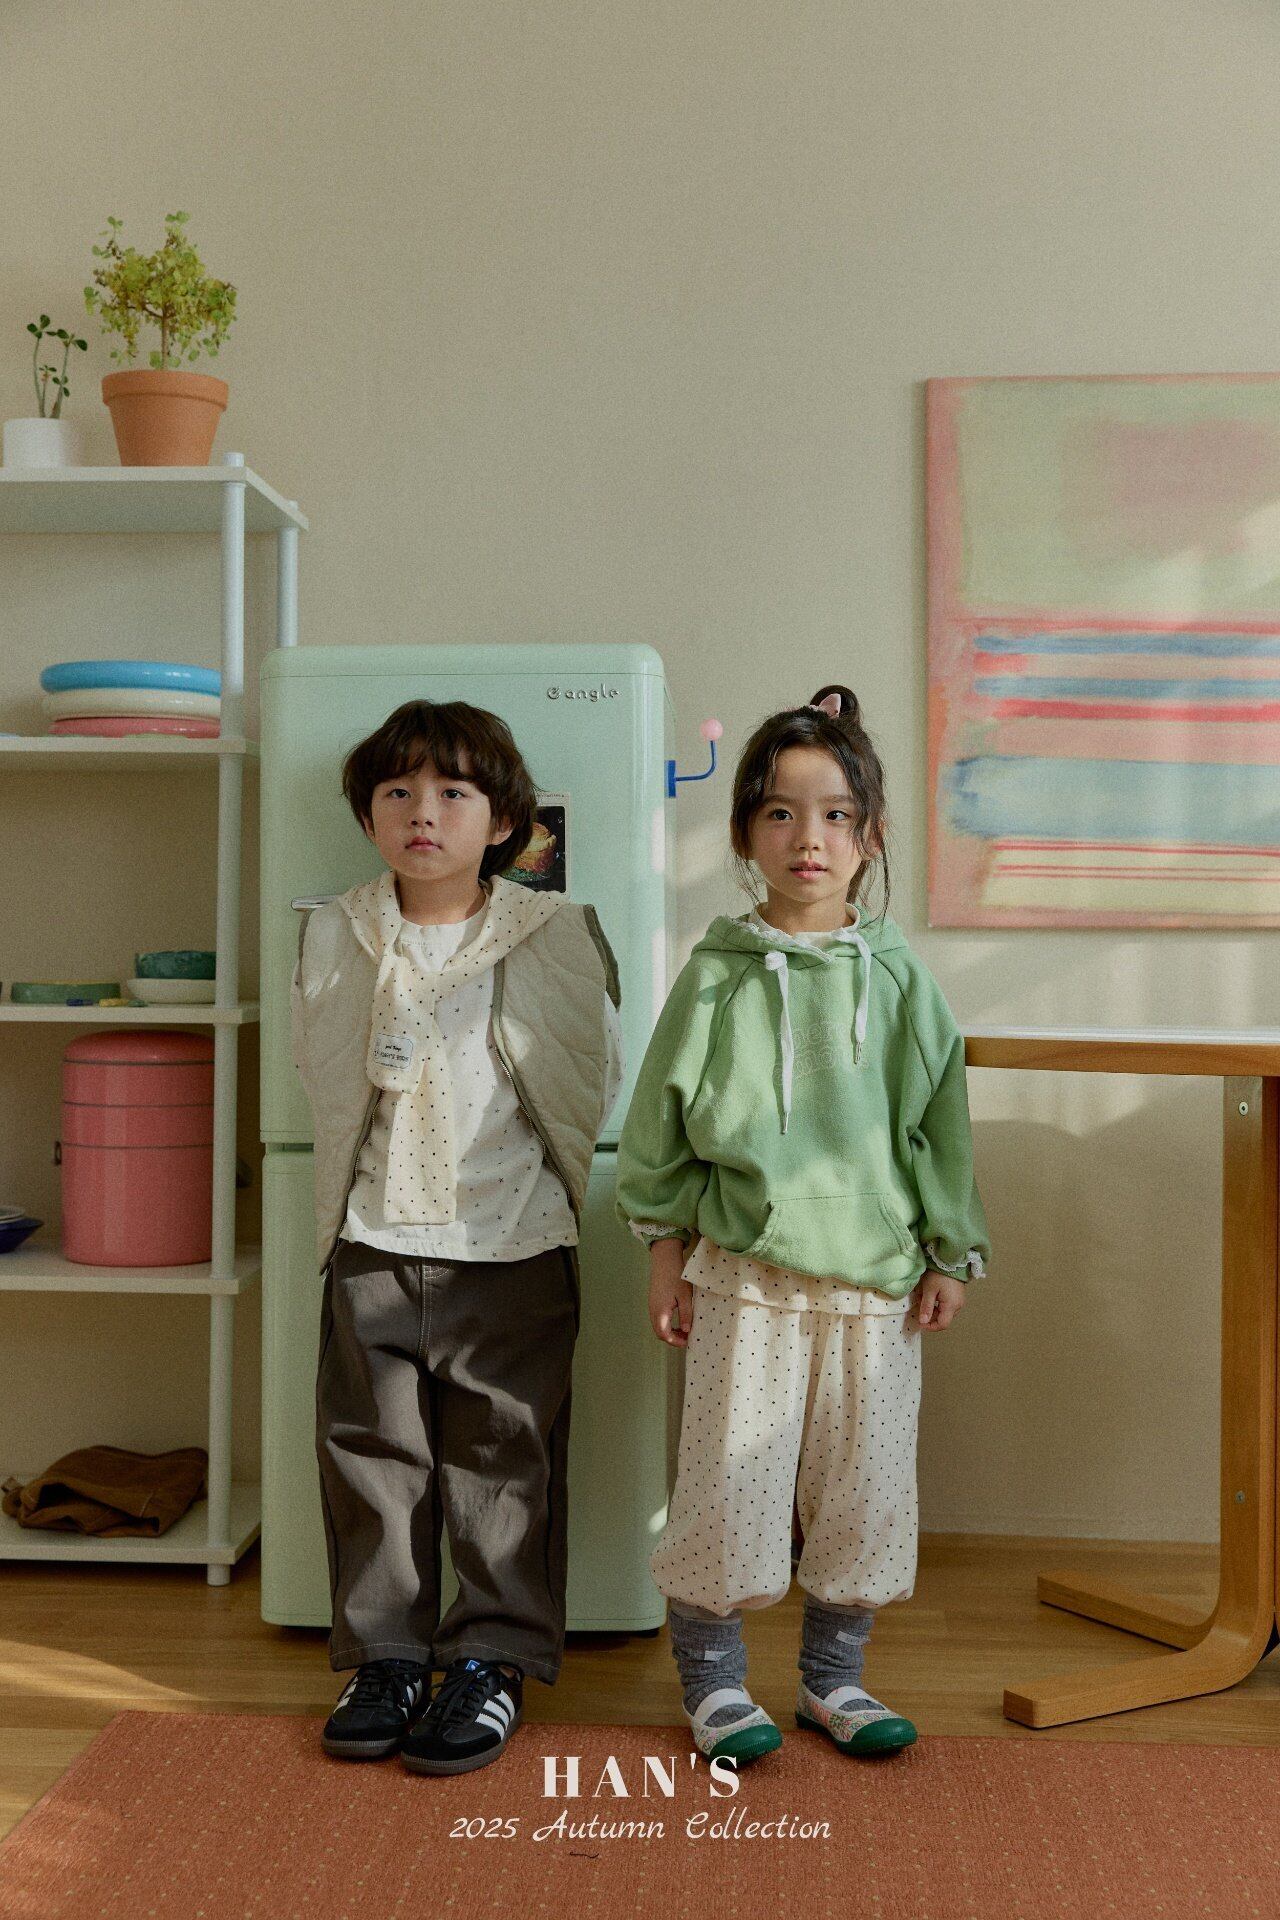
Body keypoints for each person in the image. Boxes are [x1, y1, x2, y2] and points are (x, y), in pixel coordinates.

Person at [615, 684, 988, 1766]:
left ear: (870, 836)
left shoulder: (901, 979)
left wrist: (949, 1250)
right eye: (779, 813)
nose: (807, 838)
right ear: (743, 835)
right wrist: (664, 1255)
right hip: (747, 1275)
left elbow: (939, 1128)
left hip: (877, 1282)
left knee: (863, 1494)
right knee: (728, 1488)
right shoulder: (716, 978)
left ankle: (833, 1680)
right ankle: (715, 1686)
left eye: (834, 814)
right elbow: (659, 1130)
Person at [291, 698, 621, 1776]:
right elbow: (323, 1074)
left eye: (452, 792)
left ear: (504, 821)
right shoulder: (337, 930)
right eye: (397, 792)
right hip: (373, 1237)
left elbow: (590, 1074)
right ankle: (385, 1657)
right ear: (368, 817)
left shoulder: (551, 930)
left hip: (514, 1241)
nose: (422, 813)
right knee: (372, 1460)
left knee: (505, 1463)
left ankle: (491, 1660)